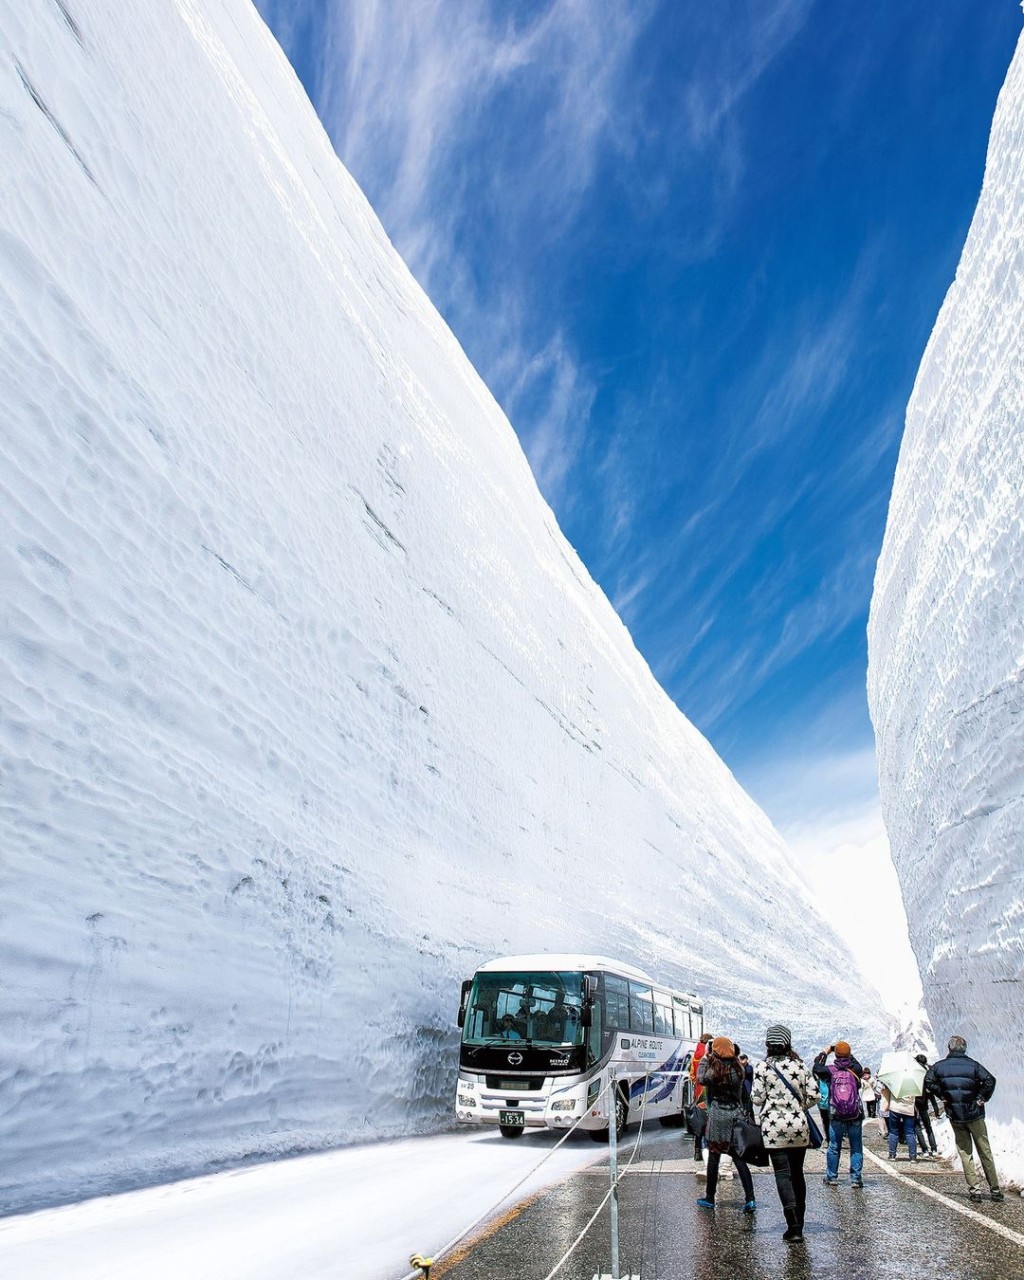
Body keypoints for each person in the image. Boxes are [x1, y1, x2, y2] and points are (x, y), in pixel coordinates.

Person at [751, 1023, 818, 1243]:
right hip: (799, 1126)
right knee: (798, 1173)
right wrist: (799, 1107)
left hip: (774, 1128)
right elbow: (815, 1095)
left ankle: (793, 1226)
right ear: (787, 1042)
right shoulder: (800, 1065)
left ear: (768, 1044)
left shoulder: (762, 1068)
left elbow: (757, 1098)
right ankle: (801, 1223)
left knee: (782, 1174)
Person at [925, 1035, 1003, 1202]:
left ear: (949, 1048)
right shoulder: (973, 1065)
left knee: (965, 1152)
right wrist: (981, 1097)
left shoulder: (940, 1067)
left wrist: (943, 1095)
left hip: (955, 1114)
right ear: (965, 1049)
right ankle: (995, 1190)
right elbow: (990, 1080)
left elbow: (928, 1082)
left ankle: (974, 1190)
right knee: (985, 1151)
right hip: (975, 1113)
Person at [695, 1037, 756, 1214]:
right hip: (735, 1114)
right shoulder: (739, 1069)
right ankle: (750, 1198)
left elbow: (701, 1078)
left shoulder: (714, 1070)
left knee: (714, 1157)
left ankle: (710, 1197)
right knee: (738, 1158)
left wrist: (705, 1059)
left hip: (718, 1116)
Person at [813, 1041, 865, 1188]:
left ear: (835, 1055)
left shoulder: (830, 1070)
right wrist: (848, 1054)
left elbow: (816, 1068)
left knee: (834, 1146)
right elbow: (856, 1064)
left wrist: (825, 1052)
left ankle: (832, 1177)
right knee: (856, 1147)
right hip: (855, 1114)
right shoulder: (855, 1069)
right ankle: (856, 1179)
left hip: (836, 1114)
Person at [689, 1032, 713, 1162]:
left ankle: (697, 1151)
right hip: (709, 1092)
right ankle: (710, 1152)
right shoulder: (711, 1055)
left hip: (698, 1092)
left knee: (700, 1123)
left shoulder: (695, 1055)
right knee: (710, 1122)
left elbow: (692, 1073)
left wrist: (696, 1083)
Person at [913, 1054, 941, 1158]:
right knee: (928, 1125)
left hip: (916, 1100)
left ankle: (924, 1149)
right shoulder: (928, 1070)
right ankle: (934, 1148)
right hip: (925, 1099)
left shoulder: (914, 1071)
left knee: (917, 1126)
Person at [881, 1083, 918, 1161]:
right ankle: (913, 1156)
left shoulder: (894, 1081)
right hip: (909, 1109)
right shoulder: (913, 1081)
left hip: (895, 1107)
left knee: (893, 1131)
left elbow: (885, 1091)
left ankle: (892, 1154)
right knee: (910, 1132)